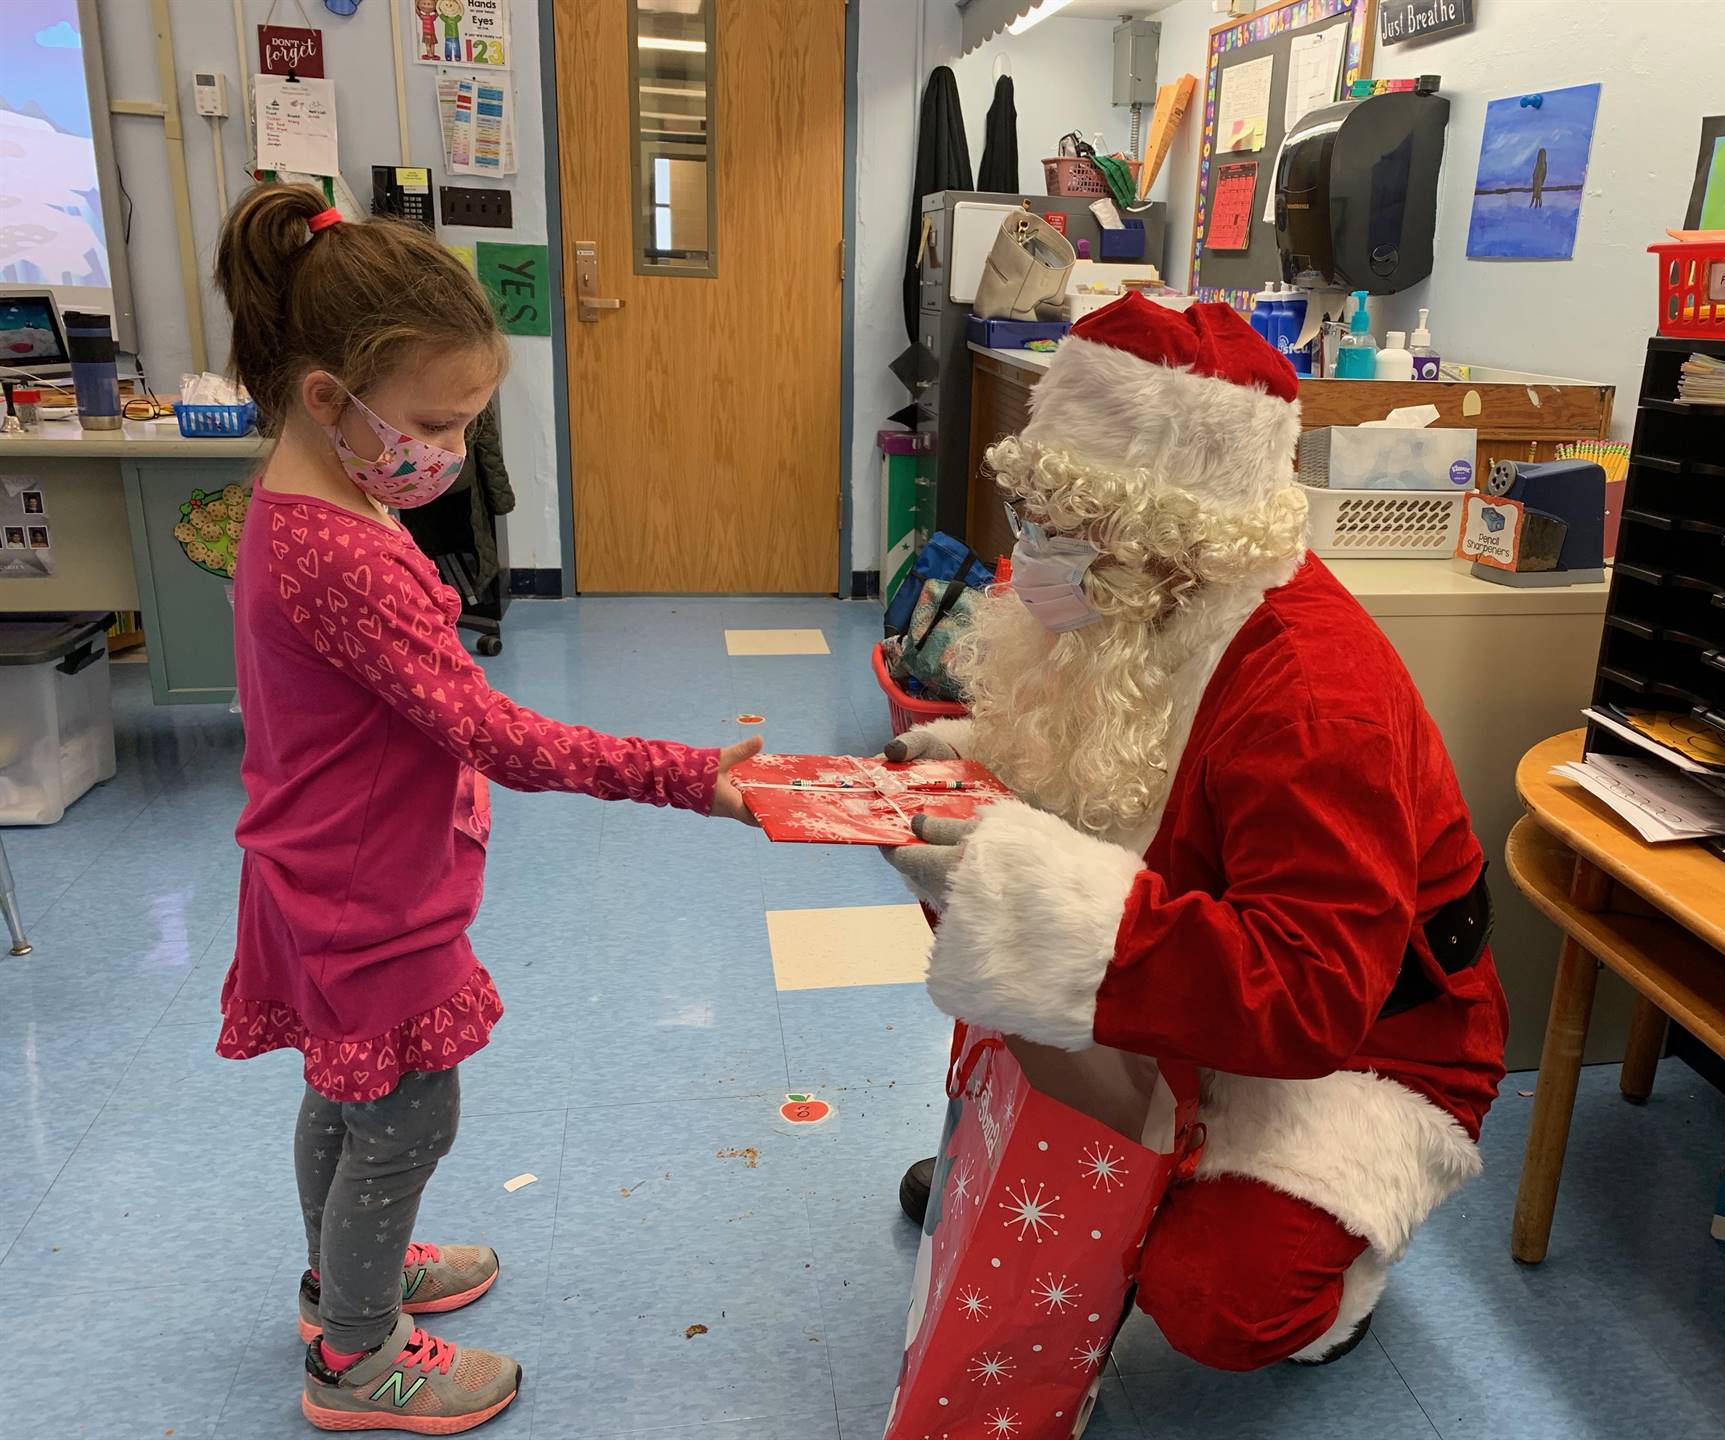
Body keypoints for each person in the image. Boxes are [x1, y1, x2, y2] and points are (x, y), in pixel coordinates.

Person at [211, 182, 760, 1434]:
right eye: (435, 421)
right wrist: (691, 778)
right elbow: (499, 735)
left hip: (306, 862)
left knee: (349, 1093)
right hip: (368, 891)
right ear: (327, 398)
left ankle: (338, 1280)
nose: (450, 449)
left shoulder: (299, 498)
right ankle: (355, 1358)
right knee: (406, 1112)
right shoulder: (347, 554)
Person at [886, 294, 1508, 1370]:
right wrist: (967, 784)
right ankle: (1082, 1159)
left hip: (1369, 1039)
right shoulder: (1127, 606)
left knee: (1217, 1300)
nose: (1027, 553)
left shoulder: (1314, 695)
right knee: (1001, 930)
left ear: (1168, 540)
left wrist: (1028, 886)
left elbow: (1313, 995)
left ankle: (1338, 1283)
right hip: (1198, 967)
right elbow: (1106, 797)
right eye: (1034, 512)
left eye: (1063, 526)